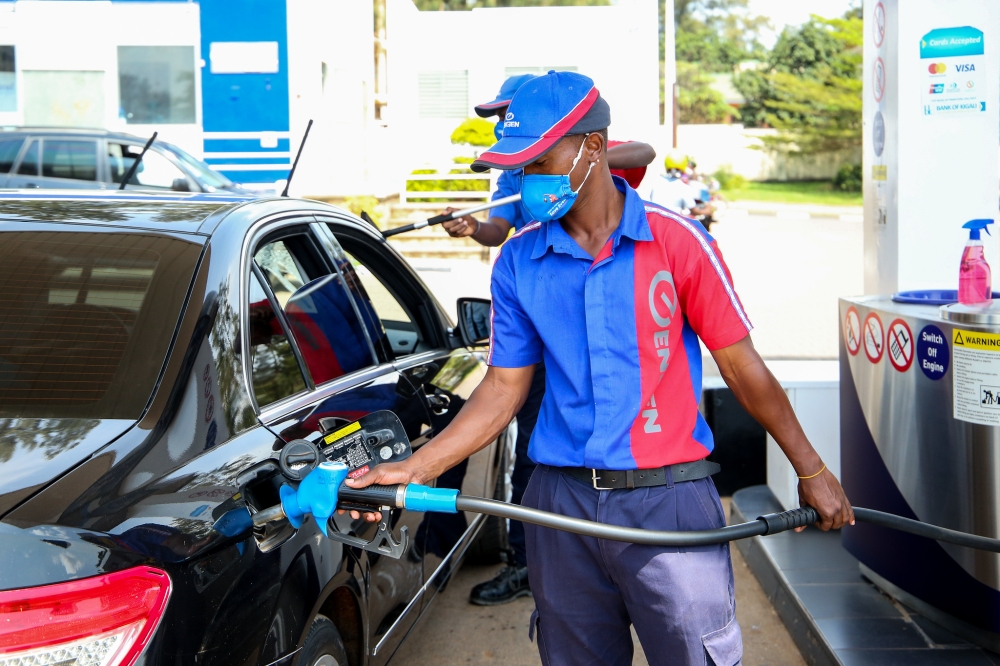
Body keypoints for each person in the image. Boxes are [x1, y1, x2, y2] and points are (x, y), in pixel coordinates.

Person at [348, 71, 853, 665]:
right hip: (557, 507)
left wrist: (811, 468)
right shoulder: (517, 262)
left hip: (668, 500)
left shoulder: (679, 243)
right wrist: (417, 466)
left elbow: (743, 370)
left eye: (538, 160)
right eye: (519, 164)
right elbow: (503, 389)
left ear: (593, 147)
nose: (525, 179)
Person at [442, 74, 656, 606]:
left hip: (597, 312)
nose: (504, 127)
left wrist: (569, 148)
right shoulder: (511, 180)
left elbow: (642, 150)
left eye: (512, 117)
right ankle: (529, 561)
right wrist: (475, 228)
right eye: (500, 121)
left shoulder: (580, 150)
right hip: (538, 317)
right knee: (535, 454)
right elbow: (498, 229)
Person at [645, 150, 714, 220]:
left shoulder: (655, 182)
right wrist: (707, 211)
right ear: (684, 165)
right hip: (671, 225)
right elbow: (694, 211)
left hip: (653, 223)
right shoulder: (683, 188)